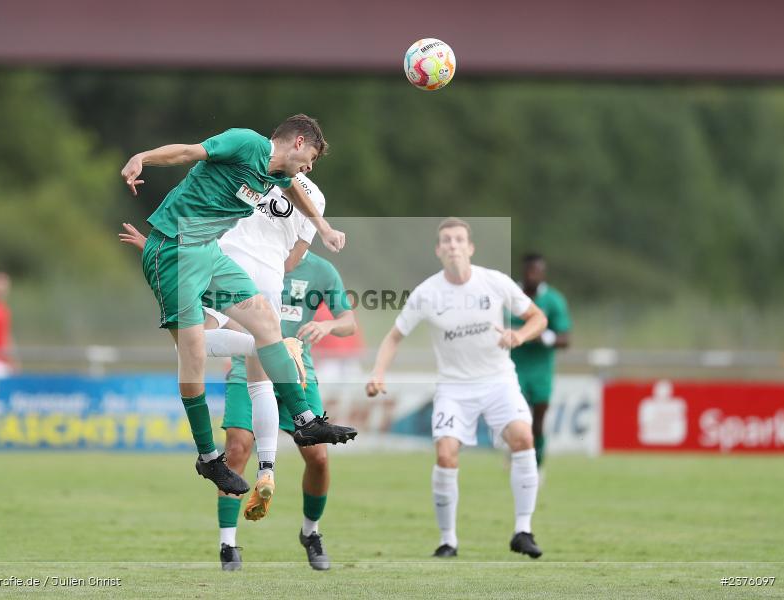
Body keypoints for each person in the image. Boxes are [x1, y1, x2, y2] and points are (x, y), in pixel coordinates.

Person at [120, 115, 357, 498]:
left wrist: (324, 228)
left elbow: (296, 191)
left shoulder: (276, 173)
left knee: (267, 326)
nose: (310, 168)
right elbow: (187, 152)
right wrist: (142, 157)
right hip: (174, 251)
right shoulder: (246, 143)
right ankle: (208, 458)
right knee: (192, 356)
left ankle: (305, 420)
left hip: (209, 253)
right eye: (311, 157)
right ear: (298, 142)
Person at [120, 222, 355, 572]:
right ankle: (228, 545)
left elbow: (349, 321)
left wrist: (327, 325)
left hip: (297, 370)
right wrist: (159, 253)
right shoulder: (245, 257)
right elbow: (206, 275)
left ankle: (311, 532)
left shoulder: (321, 271)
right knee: (237, 449)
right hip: (248, 366)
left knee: (318, 457)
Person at [365, 218, 548, 559]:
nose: (453, 245)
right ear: (438, 250)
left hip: (498, 380)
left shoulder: (495, 281)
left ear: (470, 247)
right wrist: (378, 373)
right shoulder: (426, 293)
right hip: (454, 387)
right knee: (446, 454)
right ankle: (448, 540)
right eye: (446, 240)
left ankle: (523, 531)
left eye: (459, 239)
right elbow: (394, 337)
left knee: (524, 438)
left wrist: (520, 335)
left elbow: (538, 318)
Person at [510, 253, 572, 469]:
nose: (532, 275)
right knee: (517, 420)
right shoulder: (510, 296)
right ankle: (518, 458)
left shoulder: (553, 300)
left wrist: (543, 336)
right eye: (529, 271)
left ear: (543, 273)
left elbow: (565, 338)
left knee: (537, 423)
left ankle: (537, 464)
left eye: (536, 271)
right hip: (512, 368)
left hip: (541, 370)